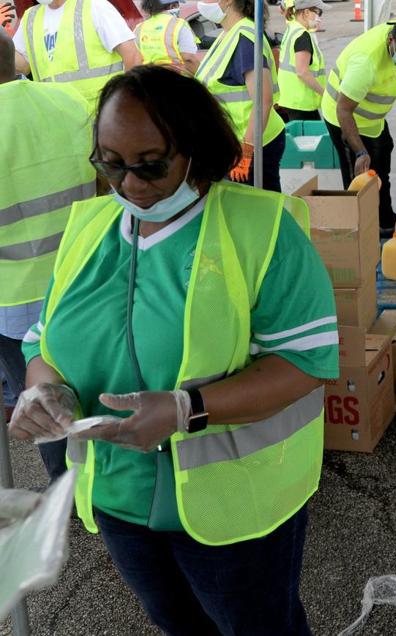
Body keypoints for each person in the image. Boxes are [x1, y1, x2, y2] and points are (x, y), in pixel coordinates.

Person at [9, 65, 336, 636]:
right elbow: (44, 338)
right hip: (119, 499)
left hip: (234, 508)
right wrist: (44, 386)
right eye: (110, 163)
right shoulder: (90, 227)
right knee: (178, 624)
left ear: (195, 152)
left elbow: (304, 364)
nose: (129, 185)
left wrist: (190, 408)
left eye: (150, 165)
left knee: (257, 626)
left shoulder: (264, 231)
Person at [0, 29, 91, 480]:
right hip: (83, 273)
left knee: (39, 400)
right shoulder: (69, 101)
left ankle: (67, 485)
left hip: (14, 298)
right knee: (89, 381)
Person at [321, 18, 396, 236]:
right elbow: (343, 110)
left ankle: (384, 221)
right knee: (360, 179)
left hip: (373, 121)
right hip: (346, 120)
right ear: (391, 40)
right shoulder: (365, 63)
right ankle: (359, 233)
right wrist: (359, 151)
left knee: (381, 168)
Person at [193, 0, 287, 192]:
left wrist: (246, 152)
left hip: (252, 143)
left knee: (258, 210)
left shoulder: (245, 37)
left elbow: (262, 101)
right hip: (233, 142)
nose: (201, 3)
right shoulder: (228, 33)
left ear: (227, 0)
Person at [11, 0, 141, 105]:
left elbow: (132, 56)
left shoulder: (93, 5)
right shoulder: (30, 17)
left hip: (98, 115)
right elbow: (21, 67)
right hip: (56, 115)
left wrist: (126, 104)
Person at [277, 0, 328, 123]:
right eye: (318, 12)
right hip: (302, 103)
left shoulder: (291, 29)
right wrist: (325, 94)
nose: (319, 17)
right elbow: (302, 72)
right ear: (306, 12)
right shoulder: (302, 35)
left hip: (291, 100)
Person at [134, 0, 199, 74]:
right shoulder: (178, 24)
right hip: (175, 78)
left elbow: (135, 59)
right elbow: (188, 57)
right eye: (177, 5)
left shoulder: (139, 28)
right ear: (173, 6)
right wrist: (202, 79)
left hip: (146, 79)